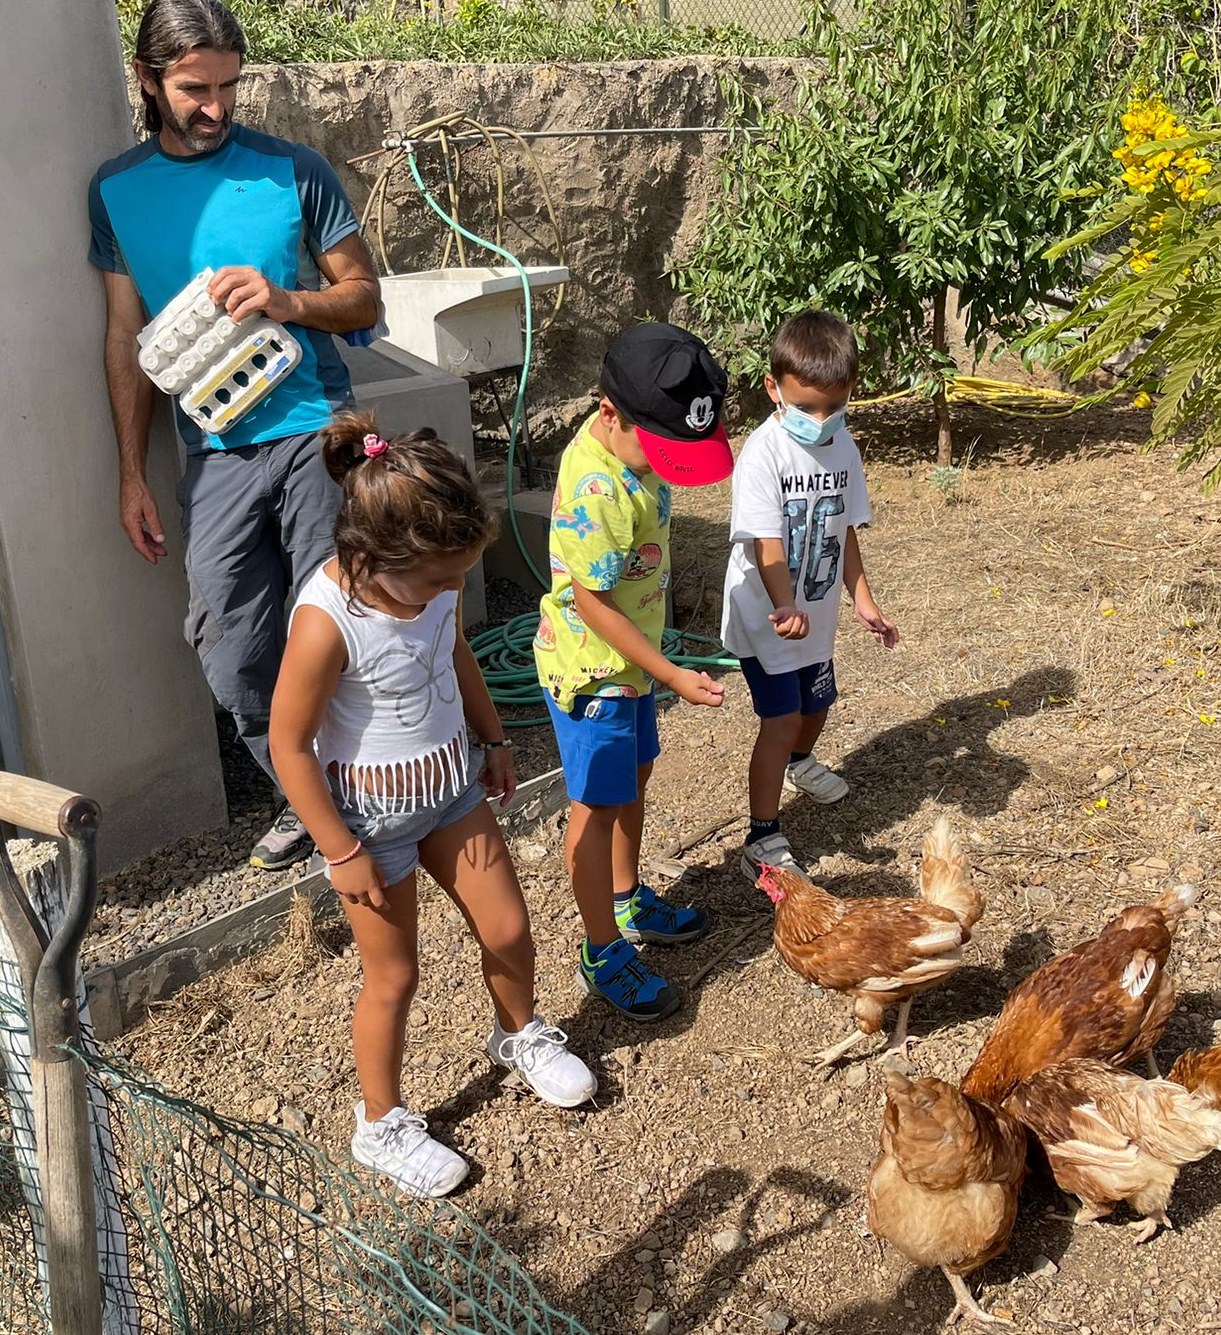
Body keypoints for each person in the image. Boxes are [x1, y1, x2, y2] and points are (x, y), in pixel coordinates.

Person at [269, 414, 596, 1198]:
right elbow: (289, 745)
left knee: (510, 927)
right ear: (377, 557)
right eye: (440, 579)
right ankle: (379, 1122)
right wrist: (338, 850)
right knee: (394, 976)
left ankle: (517, 1034)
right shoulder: (326, 622)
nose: (453, 591)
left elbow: (452, 651)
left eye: (458, 576)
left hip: (451, 790)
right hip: (369, 824)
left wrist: (492, 735)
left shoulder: (431, 588)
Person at [88, 0, 382, 871]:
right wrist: (132, 477)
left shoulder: (292, 170)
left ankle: (370, 798)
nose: (216, 108)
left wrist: (290, 300)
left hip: (316, 430)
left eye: (228, 86)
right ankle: (310, 795)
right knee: (230, 644)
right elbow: (122, 338)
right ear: (147, 79)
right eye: (194, 89)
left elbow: (365, 297)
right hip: (213, 451)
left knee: (336, 622)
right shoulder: (114, 191)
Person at [534, 323, 733, 1023]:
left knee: (635, 779)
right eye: (665, 447)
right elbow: (591, 603)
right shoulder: (597, 487)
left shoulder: (637, 459)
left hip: (633, 667)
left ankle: (627, 895)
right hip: (596, 675)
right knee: (595, 806)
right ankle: (601, 945)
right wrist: (672, 672)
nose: (672, 462)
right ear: (610, 414)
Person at [721, 311, 898, 883]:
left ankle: (800, 762)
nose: (820, 421)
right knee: (782, 716)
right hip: (766, 617)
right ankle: (761, 834)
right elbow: (765, 542)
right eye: (806, 408)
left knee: (817, 705)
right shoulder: (763, 454)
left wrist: (862, 599)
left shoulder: (843, 448)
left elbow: (844, 528)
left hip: (814, 615)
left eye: (833, 407)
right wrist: (783, 603)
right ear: (773, 389)